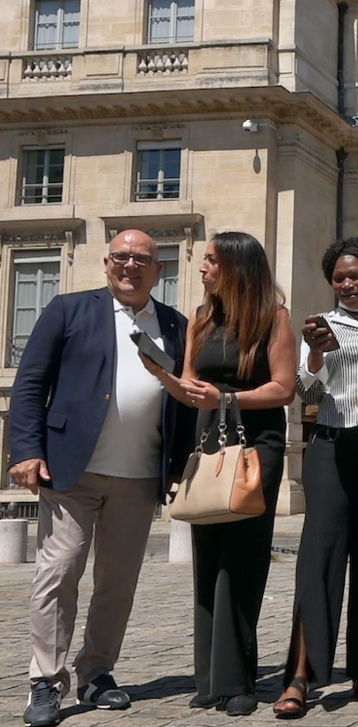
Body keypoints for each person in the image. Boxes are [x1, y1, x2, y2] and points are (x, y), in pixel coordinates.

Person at [11, 230, 189, 727]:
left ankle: (96, 674)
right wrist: (25, 450)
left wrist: (175, 465)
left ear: (159, 270)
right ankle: (46, 680)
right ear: (107, 263)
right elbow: (30, 383)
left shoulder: (175, 323)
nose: (130, 266)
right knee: (58, 572)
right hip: (72, 470)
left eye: (142, 260)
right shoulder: (68, 309)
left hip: (137, 476)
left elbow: (180, 401)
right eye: (122, 257)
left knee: (117, 582)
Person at [146, 231, 297, 716]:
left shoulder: (273, 318)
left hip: (257, 447)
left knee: (244, 561)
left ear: (236, 265)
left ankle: (238, 682)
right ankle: (209, 679)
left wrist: (227, 398)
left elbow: (283, 389)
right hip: (209, 445)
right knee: (207, 558)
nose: (202, 267)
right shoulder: (200, 319)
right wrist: (165, 377)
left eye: (210, 260)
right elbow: (193, 389)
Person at [273, 237, 358, 719]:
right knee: (317, 559)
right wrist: (314, 356)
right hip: (329, 444)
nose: (348, 284)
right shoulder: (323, 326)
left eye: (356, 275)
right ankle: (301, 676)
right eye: (340, 278)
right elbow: (304, 392)